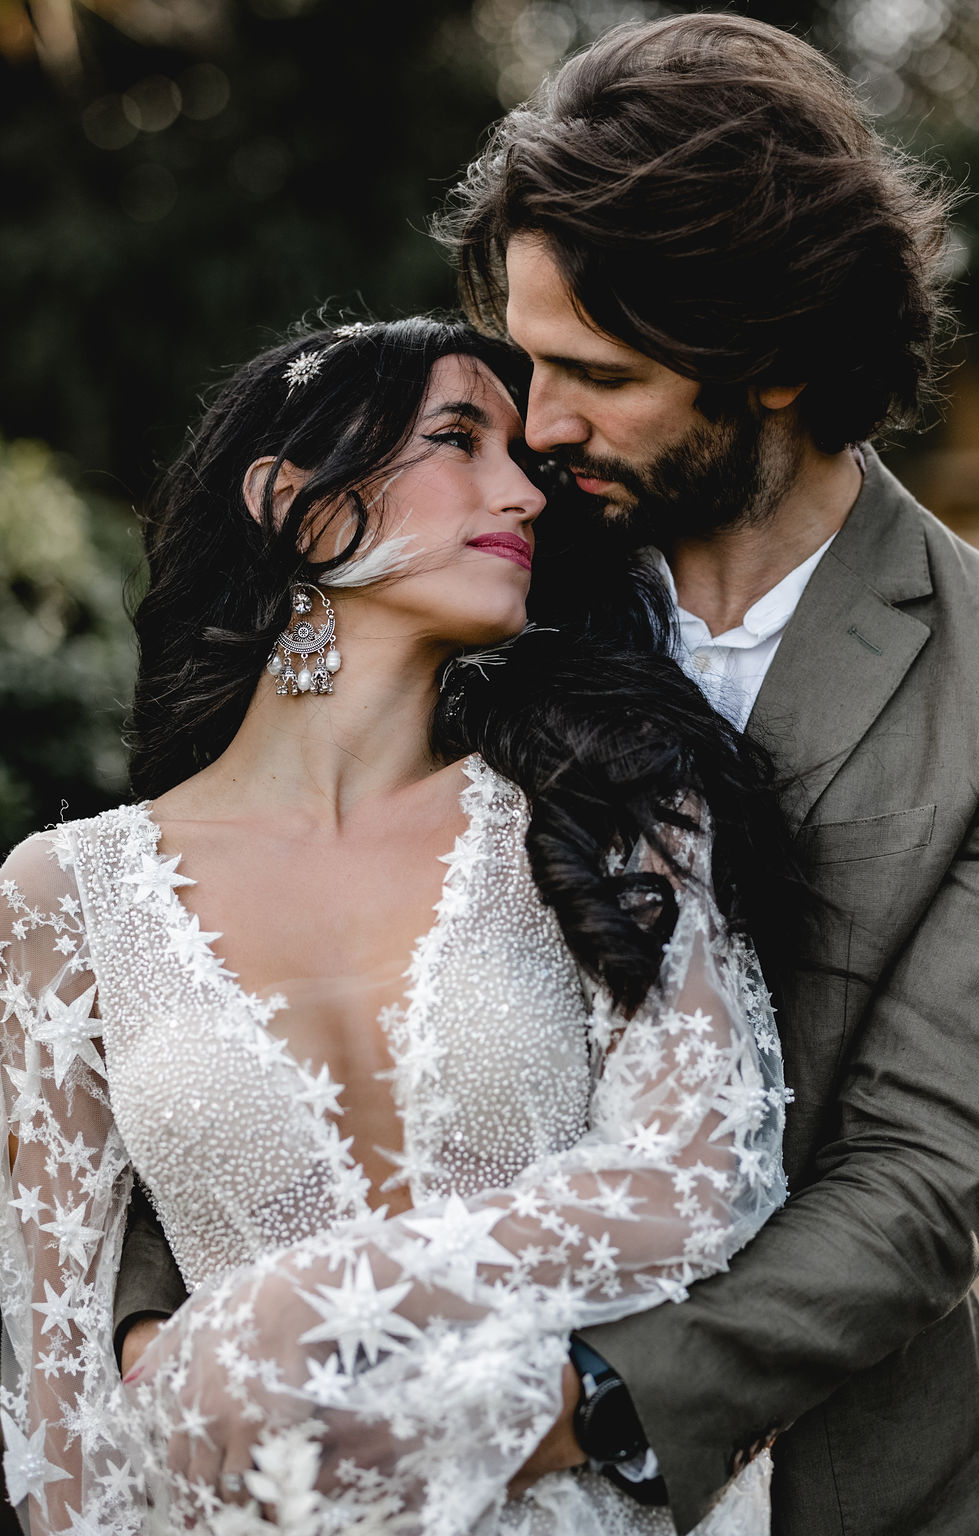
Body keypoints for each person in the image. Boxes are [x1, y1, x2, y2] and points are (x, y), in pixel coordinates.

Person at [0, 315, 804, 1535]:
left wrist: (291, 1312)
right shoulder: (67, 897)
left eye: (524, 456)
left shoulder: (603, 808)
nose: (523, 490)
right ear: (295, 505)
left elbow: (699, 1178)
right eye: (457, 438)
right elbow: (58, 1391)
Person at [431, 12, 979, 1534]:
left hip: (866, 1487)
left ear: (775, 361)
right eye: (526, 358)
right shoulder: (466, 560)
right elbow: (234, 881)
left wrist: (581, 1405)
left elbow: (921, 1176)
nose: (538, 425)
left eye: (599, 375)